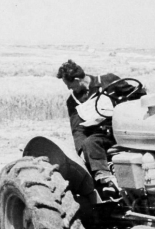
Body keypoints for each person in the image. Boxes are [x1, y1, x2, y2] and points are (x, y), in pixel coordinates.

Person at [56, 59, 146, 188]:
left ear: (77, 80)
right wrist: (81, 150)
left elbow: (136, 95)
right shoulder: (73, 101)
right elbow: (77, 129)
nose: (69, 88)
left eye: (68, 84)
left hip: (123, 128)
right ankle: (105, 177)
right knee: (90, 143)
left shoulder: (109, 81)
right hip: (103, 136)